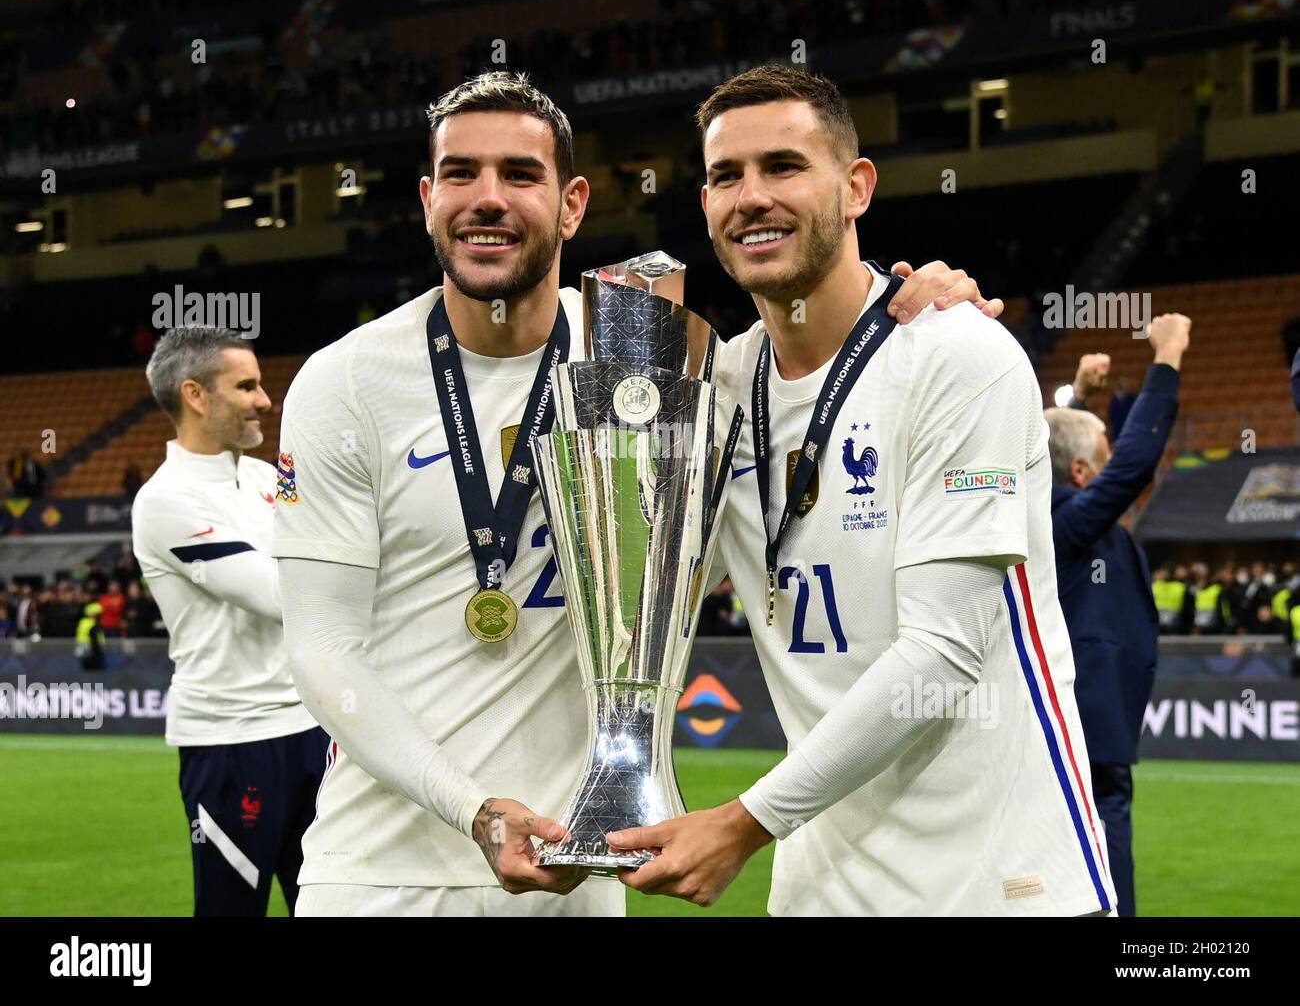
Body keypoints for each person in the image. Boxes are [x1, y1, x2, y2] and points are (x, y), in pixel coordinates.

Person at [271, 70, 991, 918]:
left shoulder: (660, 354)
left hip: (581, 871)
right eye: (461, 175)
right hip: (378, 875)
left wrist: (912, 306)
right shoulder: (346, 383)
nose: (487, 200)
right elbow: (323, 650)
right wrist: (467, 808)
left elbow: (810, 367)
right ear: (428, 199)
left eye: (521, 176)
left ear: (573, 204)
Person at [608, 64, 1115, 916]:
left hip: (1001, 889)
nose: (752, 196)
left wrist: (743, 821)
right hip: (822, 896)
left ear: (856, 187)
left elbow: (942, 651)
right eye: (726, 175)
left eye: (783, 166)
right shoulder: (711, 393)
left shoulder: (959, 356)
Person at [131, 326, 328, 916]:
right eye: (246, 386)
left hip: (312, 727)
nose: (265, 401)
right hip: (231, 741)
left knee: (329, 903)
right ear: (195, 395)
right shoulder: (165, 501)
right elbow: (280, 594)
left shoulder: (271, 478)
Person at [1040, 313, 1189, 917]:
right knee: (1101, 874)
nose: (1115, 458)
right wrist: (1168, 357)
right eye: (1102, 452)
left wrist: (1078, 399)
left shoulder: (1058, 514)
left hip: (1092, 722)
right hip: (1087, 727)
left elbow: (1047, 456)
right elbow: (1134, 466)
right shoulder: (1064, 522)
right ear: (1080, 474)